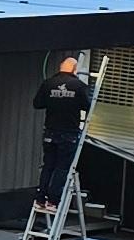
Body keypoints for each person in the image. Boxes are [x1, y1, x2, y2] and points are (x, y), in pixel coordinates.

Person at [33, 56, 94, 193]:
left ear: (60, 67)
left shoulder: (48, 84)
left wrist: (54, 99)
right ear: (74, 70)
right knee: (62, 167)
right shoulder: (79, 86)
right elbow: (87, 107)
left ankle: (41, 198)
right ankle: (53, 200)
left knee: (48, 166)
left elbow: (37, 104)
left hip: (50, 131)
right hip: (69, 133)